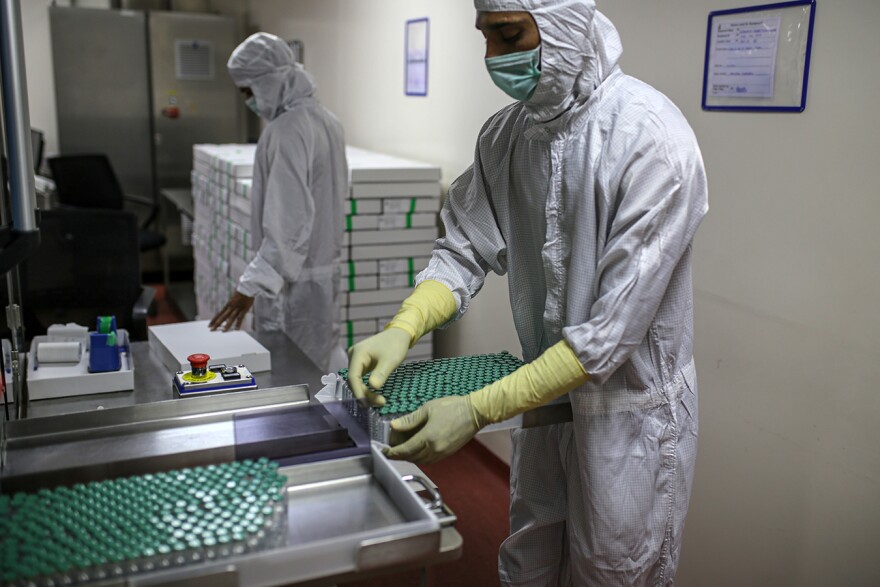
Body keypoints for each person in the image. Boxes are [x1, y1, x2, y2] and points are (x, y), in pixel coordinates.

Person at [347, 1, 708, 585]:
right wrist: (402, 328)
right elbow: (462, 249)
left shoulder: (650, 140)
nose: (493, 56)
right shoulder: (507, 135)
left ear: (563, 26)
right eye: (485, 37)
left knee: (611, 573)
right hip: (542, 402)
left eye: (509, 34)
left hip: (628, 424)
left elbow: (606, 339)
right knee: (531, 561)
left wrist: (477, 408)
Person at [209, 33, 348, 373]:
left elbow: (290, 221)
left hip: (294, 285)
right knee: (323, 363)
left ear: (269, 82)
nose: (249, 101)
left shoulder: (287, 130)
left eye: (248, 91)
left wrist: (250, 286)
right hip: (321, 276)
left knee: (293, 375)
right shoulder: (327, 121)